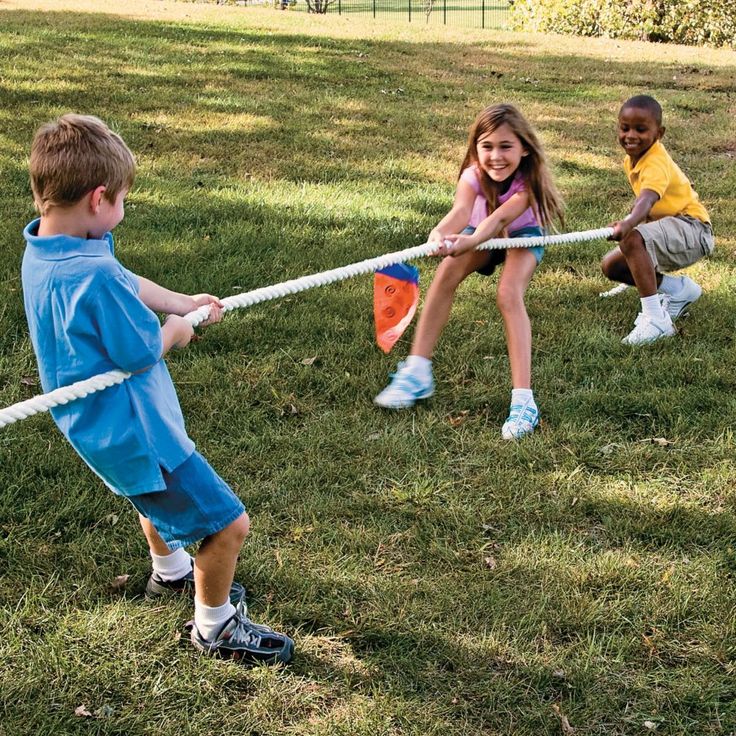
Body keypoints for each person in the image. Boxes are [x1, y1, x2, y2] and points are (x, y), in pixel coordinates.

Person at [22, 114, 293, 664]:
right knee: (227, 523)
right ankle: (214, 627)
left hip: (98, 429)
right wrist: (179, 328)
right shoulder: (89, 274)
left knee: (147, 492)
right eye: (122, 198)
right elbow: (142, 348)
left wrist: (179, 300)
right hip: (139, 430)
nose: (122, 209)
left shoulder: (47, 249)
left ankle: (169, 572)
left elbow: (121, 277)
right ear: (99, 198)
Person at [374, 103, 564, 440]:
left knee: (508, 293)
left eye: (506, 146)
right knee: (447, 271)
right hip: (478, 229)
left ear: (524, 148)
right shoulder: (473, 175)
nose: (496, 156)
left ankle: (524, 402)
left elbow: (502, 219)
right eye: (487, 146)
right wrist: (438, 234)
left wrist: (472, 240)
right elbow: (461, 211)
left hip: (521, 235)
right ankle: (418, 372)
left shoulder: (528, 183)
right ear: (476, 148)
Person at [601, 94, 714, 345]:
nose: (631, 135)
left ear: (659, 133)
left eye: (641, 129)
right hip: (673, 229)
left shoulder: (655, 162)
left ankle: (656, 320)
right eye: (624, 128)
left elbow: (647, 199)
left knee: (631, 239)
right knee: (613, 266)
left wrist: (630, 224)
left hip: (694, 230)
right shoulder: (631, 159)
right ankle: (679, 291)